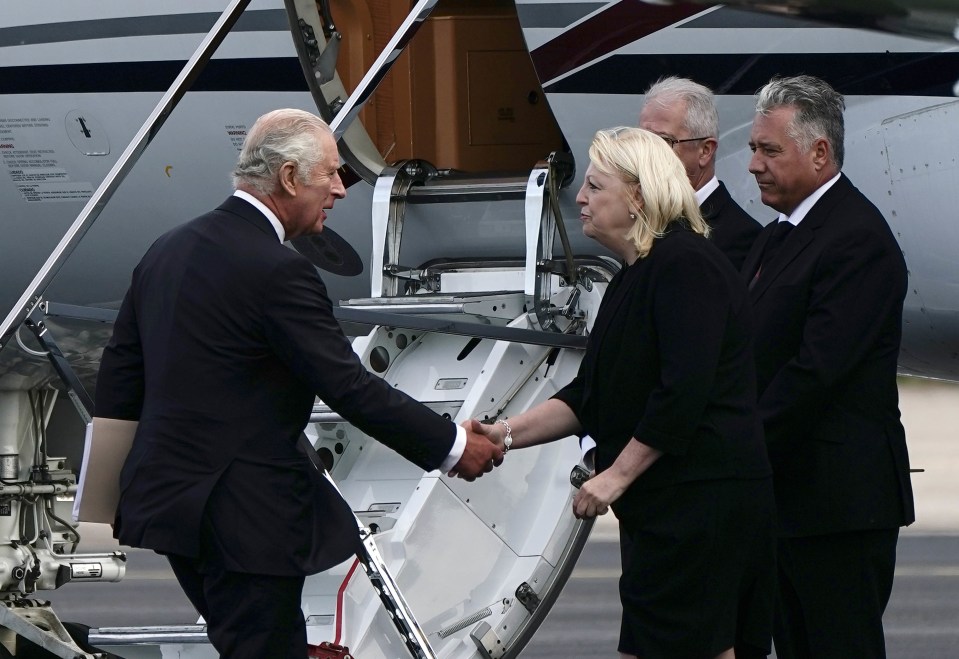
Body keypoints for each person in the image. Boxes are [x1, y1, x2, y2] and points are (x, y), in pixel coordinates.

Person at [94, 109, 503, 659]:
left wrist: (108, 493)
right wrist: (453, 446)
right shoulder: (278, 270)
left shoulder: (166, 250)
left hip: (171, 509)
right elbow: (349, 387)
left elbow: (121, 378)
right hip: (244, 516)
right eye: (330, 174)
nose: (340, 188)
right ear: (289, 178)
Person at [469, 126, 775, 659]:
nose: (580, 199)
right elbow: (591, 393)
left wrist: (615, 476)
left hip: (701, 507)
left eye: (594, 187)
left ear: (636, 196)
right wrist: (504, 435)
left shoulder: (684, 265)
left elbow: (683, 392)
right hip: (668, 510)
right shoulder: (634, 275)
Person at [743, 75, 915, 658]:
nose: (753, 165)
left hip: (838, 509)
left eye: (769, 150)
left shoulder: (856, 239)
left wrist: (729, 448)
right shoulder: (779, 238)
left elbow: (813, 374)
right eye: (753, 149)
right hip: (791, 501)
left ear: (819, 153)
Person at [640, 76, 761, 270]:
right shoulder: (642, 221)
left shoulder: (741, 238)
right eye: (642, 142)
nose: (646, 155)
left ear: (705, 150)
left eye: (663, 142)